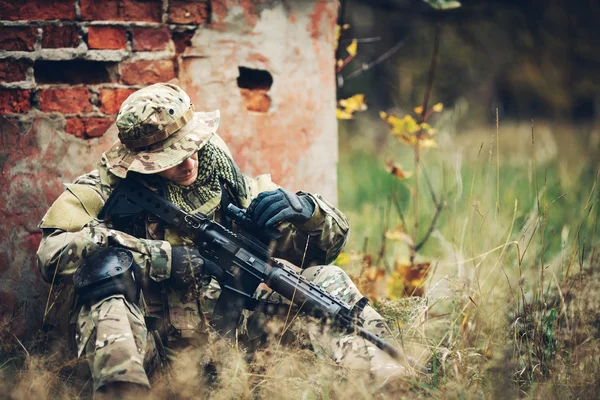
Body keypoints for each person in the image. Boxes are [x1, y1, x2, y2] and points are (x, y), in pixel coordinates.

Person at [36, 83, 406, 398]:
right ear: (142, 158)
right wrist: (160, 258)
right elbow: (51, 254)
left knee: (325, 282)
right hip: (153, 345)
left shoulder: (220, 175)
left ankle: (391, 378)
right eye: (173, 156)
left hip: (231, 344)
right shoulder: (105, 188)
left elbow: (324, 251)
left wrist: (307, 210)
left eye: (191, 146)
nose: (189, 162)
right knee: (105, 297)